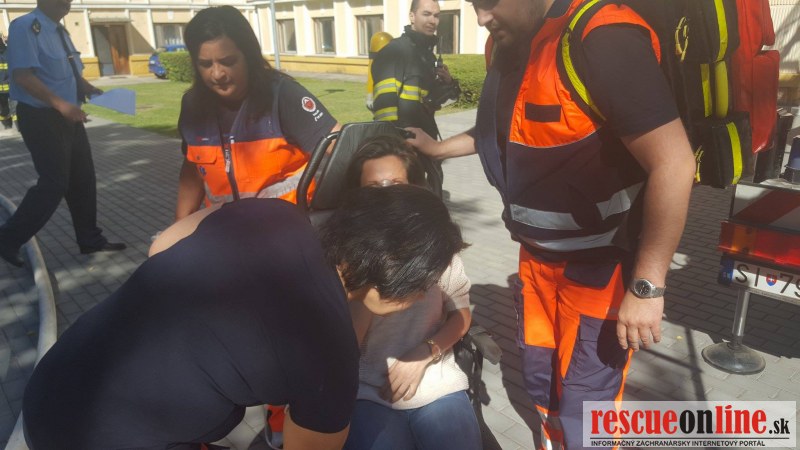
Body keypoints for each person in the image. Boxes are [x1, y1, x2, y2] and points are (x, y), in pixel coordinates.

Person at [407, 0, 696, 448]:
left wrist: (647, 287)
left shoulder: (601, 36)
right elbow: (498, 129)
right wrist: (437, 148)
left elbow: (674, 164)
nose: (481, 19)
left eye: (489, 3)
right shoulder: (505, 45)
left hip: (600, 270)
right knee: (540, 377)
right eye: (474, 5)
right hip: (535, 262)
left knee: (587, 397)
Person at [23, 185, 467, 450]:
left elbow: (161, 247)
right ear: (395, 275)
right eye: (423, 285)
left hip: (53, 386)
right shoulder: (329, 355)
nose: (421, 297)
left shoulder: (271, 214)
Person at [342, 136, 481, 450]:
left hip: (434, 377)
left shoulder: (436, 246)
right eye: (373, 189)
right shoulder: (343, 255)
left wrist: (424, 353)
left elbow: (461, 313)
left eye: (396, 185)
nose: (386, 197)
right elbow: (345, 348)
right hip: (366, 389)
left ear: (415, 189)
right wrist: (366, 286)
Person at [176, 5, 339, 222]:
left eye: (228, 62)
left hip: (288, 228)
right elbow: (192, 171)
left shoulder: (283, 96)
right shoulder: (193, 106)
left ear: (249, 56)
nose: (217, 74)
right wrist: (179, 226)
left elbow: (342, 147)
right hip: (226, 231)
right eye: (205, 64)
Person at [0, 0, 126, 268]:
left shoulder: (61, 31)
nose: (66, 2)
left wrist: (89, 89)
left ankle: (90, 239)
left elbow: (70, 72)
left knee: (83, 179)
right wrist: (61, 105)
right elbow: (23, 76)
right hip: (42, 117)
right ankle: (7, 238)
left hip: (69, 116)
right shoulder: (26, 27)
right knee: (54, 183)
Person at [370, 0, 459, 195]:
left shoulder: (426, 56)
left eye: (436, 16)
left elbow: (432, 101)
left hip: (426, 142)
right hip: (404, 147)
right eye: (426, 14)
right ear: (412, 16)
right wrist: (396, 151)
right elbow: (385, 110)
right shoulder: (395, 52)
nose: (432, 21)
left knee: (431, 192)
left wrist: (448, 83)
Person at [0, 34, 16, 130]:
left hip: (10, 87)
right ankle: (9, 127)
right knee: (6, 110)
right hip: (6, 89)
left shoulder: (8, 52)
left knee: (13, 109)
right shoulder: (8, 52)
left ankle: (14, 127)